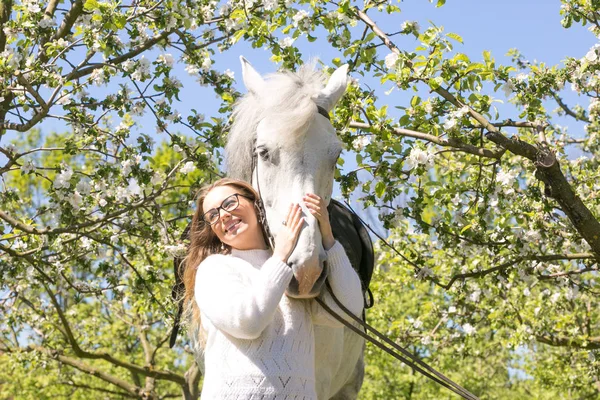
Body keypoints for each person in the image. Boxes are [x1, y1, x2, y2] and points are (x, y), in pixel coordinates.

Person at [182, 178, 363, 399]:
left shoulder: (291, 272)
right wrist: (280, 256)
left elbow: (349, 310)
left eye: (229, 203)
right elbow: (248, 322)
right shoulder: (214, 269)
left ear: (255, 204)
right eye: (213, 215)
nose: (223, 215)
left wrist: (328, 239)